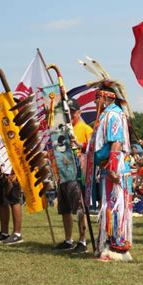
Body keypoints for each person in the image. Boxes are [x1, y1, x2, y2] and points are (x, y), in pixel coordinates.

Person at [85, 83, 133, 262]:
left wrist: (112, 167)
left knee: (115, 207)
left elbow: (116, 143)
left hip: (115, 168)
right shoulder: (108, 114)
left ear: (108, 98)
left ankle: (117, 250)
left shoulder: (113, 114)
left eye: (98, 96)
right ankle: (107, 245)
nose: (95, 100)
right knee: (110, 207)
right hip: (109, 167)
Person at [54, 98, 93, 254]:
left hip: (77, 175)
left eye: (72, 112)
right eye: (66, 112)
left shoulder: (85, 129)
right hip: (63, 174)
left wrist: (79, 146)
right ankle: (68, 240)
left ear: (79, 112)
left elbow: (91, 151)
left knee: (79, 208)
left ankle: (82, 241)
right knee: (64, 209)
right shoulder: (61, 130)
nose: (69, 115)